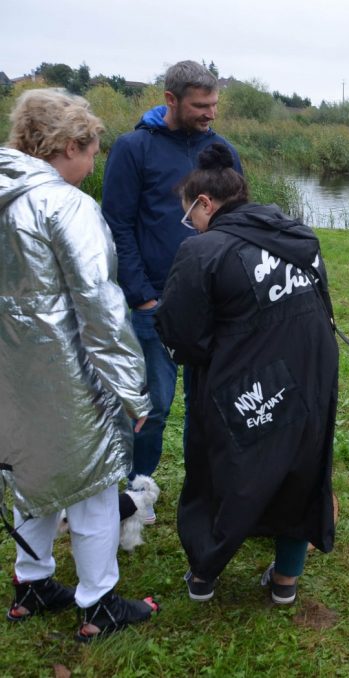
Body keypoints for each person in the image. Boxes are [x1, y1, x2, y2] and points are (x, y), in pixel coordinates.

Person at [1, 89, 157, 641]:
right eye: (93, 153)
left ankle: (32, 583)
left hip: (10, 377)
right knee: (93, 484)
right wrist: (132, 391)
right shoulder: (66, 205)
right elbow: (100, 304)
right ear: (70, 145)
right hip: (67, 374)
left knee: (29, 472)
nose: (94, 167)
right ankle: (98, 604)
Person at [155, 144, 338, 605]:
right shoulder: (299, 234)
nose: (191, 224)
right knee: (300, 466)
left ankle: (203, 576)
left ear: (206, 204)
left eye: (190, 215)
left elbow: (180, 333)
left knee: (218, 470)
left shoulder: (203, 250)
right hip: (310, 377)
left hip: (240, 387)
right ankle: (286, 581)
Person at [102, 60, 241, 515]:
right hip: (153, 302)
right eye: (201, 106)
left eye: (214, 104)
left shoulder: (222, 150)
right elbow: (118, 224)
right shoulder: (133, 149)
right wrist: (142, 293)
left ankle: (203, 487)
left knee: (210, 402)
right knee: (154, 405)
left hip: (213, 301)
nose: (210, 114)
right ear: (170, 100)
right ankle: (135, 490)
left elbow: (238, 219)